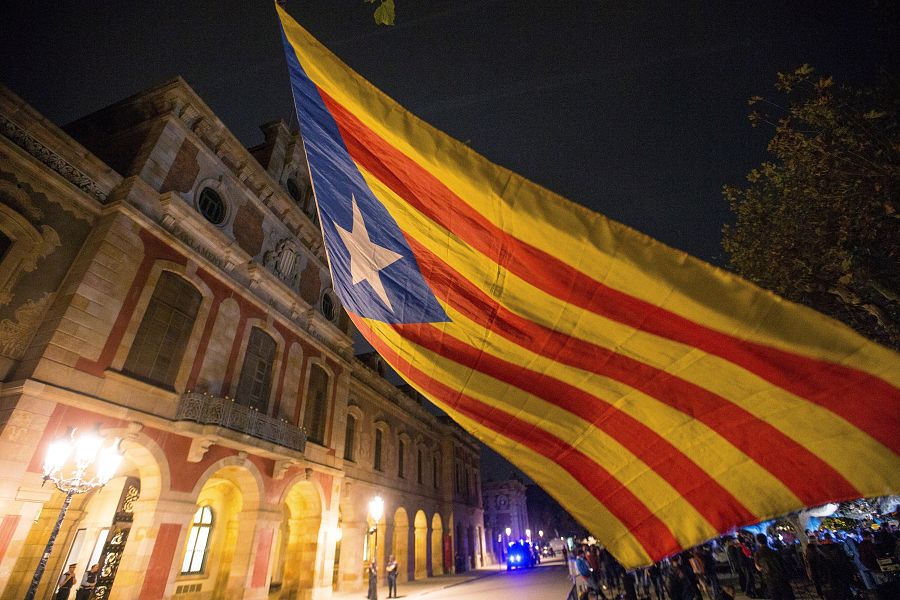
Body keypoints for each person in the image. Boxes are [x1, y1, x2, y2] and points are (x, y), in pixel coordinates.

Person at [754, 533, 795, 600]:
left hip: (769, 578)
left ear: (758, 542)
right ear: (766, 540)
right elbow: (783, 563)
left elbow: (758, 568)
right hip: (780, 576)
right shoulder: (774, 551)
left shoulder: (758, 554)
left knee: (775, 596)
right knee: (787, 595)